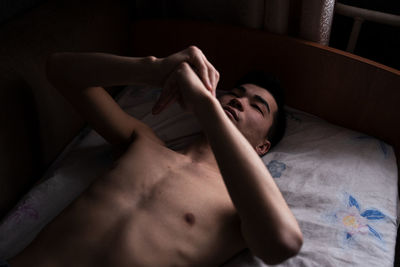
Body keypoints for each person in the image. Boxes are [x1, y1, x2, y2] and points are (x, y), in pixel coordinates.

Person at [9, 46, 302, 266]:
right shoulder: (144, 143)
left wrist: (204, 105)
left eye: (257, 106)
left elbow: (284, 242)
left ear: (263, 146)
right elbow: (58, 70)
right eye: (235, 93)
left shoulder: (240, 205)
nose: (238, 100)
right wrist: (152, 69)